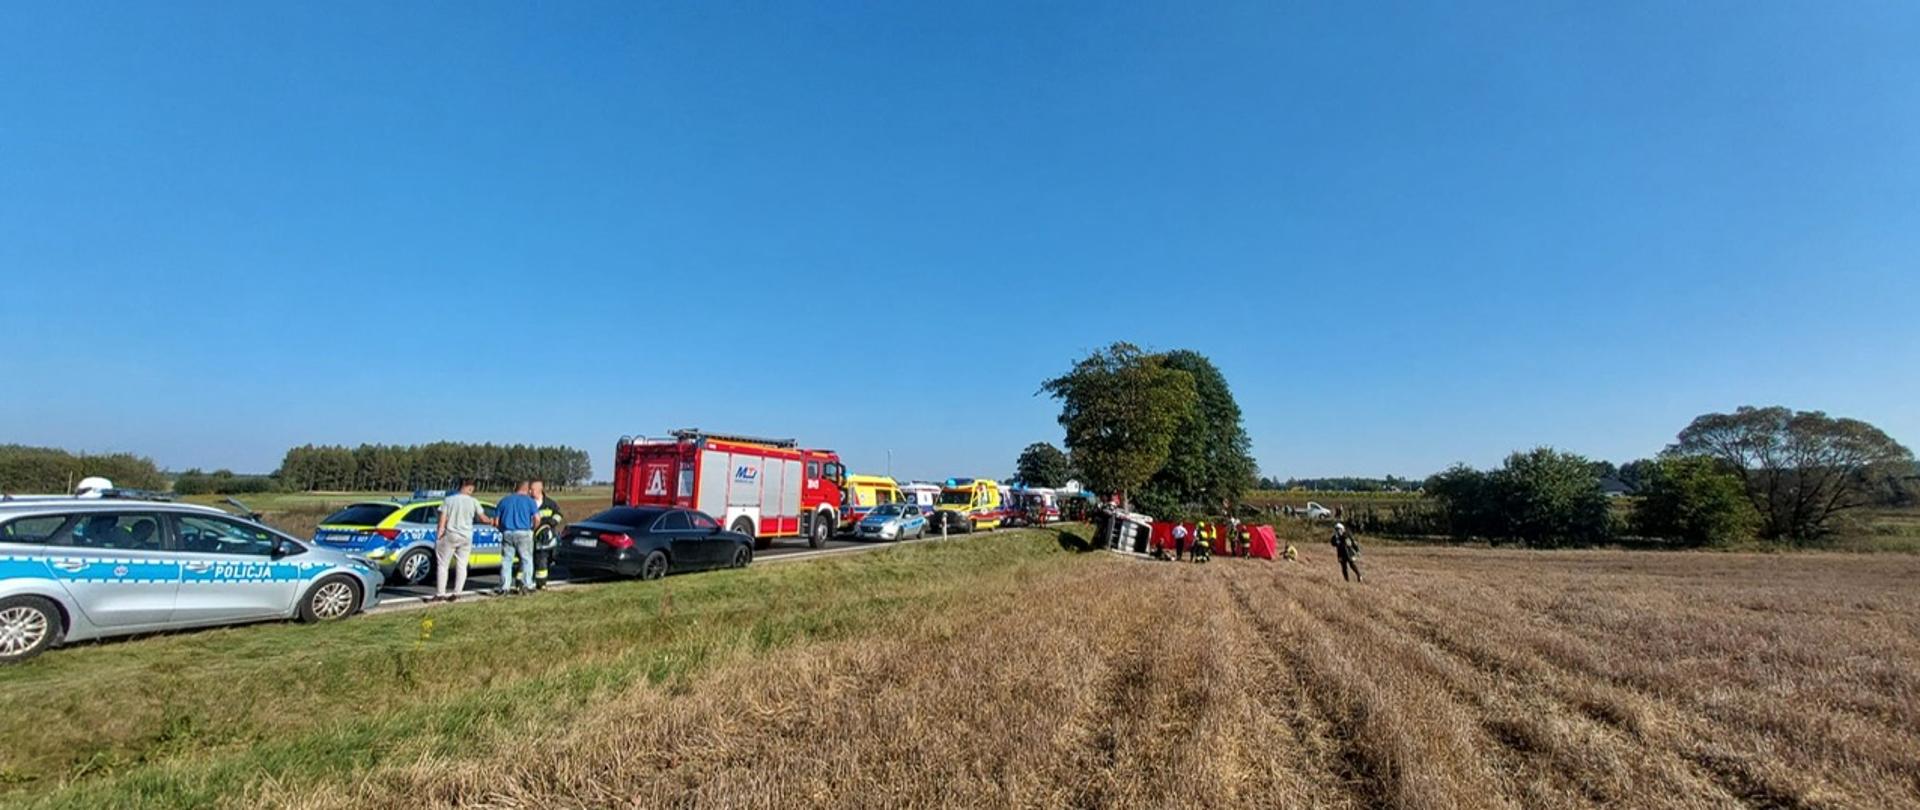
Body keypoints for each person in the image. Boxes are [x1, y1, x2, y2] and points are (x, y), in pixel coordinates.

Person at [433, 479, 495, 602]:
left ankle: (440, 593)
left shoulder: (448, 500)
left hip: (451, 533)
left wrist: (439, 534)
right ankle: (457, 593)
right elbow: (483, 518)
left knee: (443, 564)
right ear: (469, 488)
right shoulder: (474, 502)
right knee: (462, 565)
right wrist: (492, 521)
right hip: (466, 536)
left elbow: (442, 519)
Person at [494, 481, 540, 596]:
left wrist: (502, 529)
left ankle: (504, 587)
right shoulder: (530, 501)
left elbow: (496, 521)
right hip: (524, 532)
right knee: (526, 559)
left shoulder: (504, 501)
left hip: (507, 532)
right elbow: (537, 519)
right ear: (527, 489)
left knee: (506, 560)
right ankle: (527, 585)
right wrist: (532, 529)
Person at [529, 479, 565, 589]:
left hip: (545, 537)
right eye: (530, 489)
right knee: (531, 559)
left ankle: (541, 583)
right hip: (531, 536)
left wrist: (550, 523)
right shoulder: (528, 502)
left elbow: (559, 515)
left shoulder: (550, 503)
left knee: (543, 560)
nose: (530, 492)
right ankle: (529, 582)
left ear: (540, 489)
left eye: (533, 489)